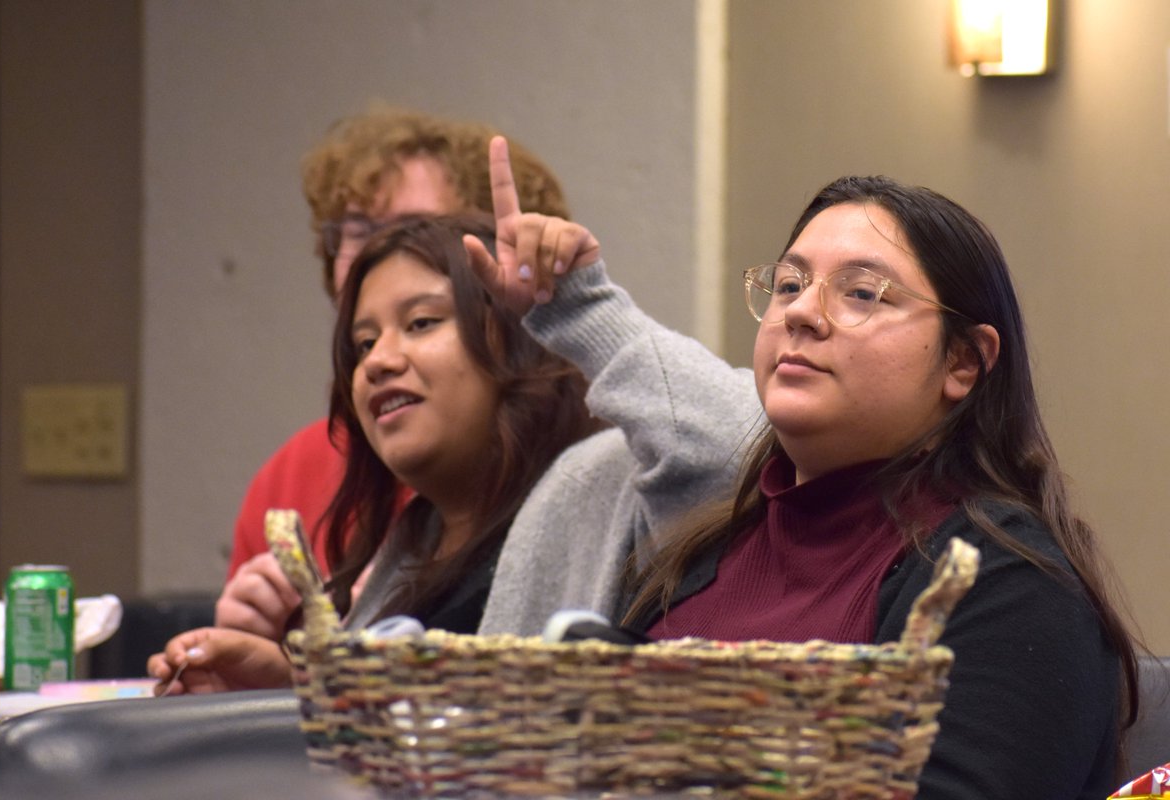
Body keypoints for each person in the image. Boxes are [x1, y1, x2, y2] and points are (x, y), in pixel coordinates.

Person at [463, 140, 1138, 798]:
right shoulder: (699, 556)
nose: (802, 314)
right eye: (789, 284)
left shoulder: (1014, 588)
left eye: (862, 293)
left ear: (964, 361)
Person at [150, 213, 600, 692]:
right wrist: (285, 693)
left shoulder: (599, 482)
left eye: (421, 322)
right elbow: (396, 737)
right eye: (364, 344)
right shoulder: (409, 549)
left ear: (516, 340)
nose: (379, 361)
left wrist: (594, 307)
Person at [216, 107, 571, 640]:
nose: (376, 254)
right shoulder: (292, 472)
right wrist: (262, 658)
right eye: (354, 232)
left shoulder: (585, 482)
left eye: (416, 230)